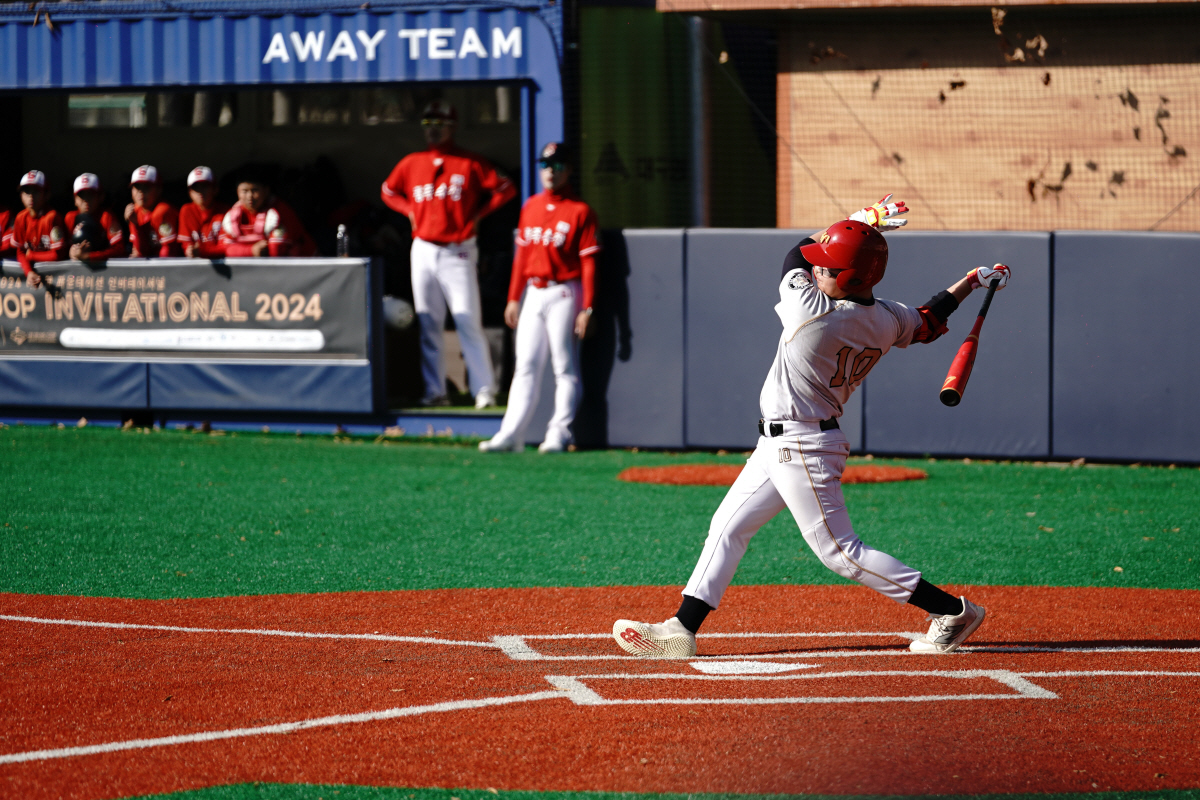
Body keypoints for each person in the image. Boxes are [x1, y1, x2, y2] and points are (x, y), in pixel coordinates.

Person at [612, 195, 1011, 658]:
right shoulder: (884, 317)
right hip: (784, 442)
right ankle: (682, 628)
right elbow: (927, 321)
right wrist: (970, 282)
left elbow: (793, 254)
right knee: (727, 526)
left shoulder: (812, 309)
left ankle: (952, 611)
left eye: (827, 267)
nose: (817, 268)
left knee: (839, 551)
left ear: (845, 278)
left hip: (803, 444)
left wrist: (861, 221)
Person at [380, 100, 517, 408]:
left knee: (468, 319)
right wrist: (408, 210)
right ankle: (435, 392)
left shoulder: (470, 162)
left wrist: (480, 215)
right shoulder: (412, 162)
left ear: (452, 127)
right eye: (428, 124)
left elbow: (505, 188)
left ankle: (484, 390)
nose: (434, 130)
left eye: (439, 124)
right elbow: (388, 191)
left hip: (459, 250)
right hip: (424, 249)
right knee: (429, 324)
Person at [479, 142, 599, 453]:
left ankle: (559, 433)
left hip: (564, 291)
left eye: (557, 165)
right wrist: (513, 297)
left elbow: (589, 262)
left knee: (564, 366)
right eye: (545, 165)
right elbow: (521, 257)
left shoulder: (580, 210)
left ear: (568, 170)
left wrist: (587, 307)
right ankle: (510, 434)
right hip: (533, 290)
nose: (550, 171)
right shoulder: (530, 205)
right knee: (526, 365)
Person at [218, 172, 316, 257]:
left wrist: (242, 250)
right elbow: (225, 249)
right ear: (237, 192)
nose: (249, 196)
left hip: (303, 264)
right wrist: (252, 250)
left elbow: (276, 251)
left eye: (255, 190)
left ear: (266, 191)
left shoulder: (279, 211)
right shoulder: (233, 215)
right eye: (244, 191)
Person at [9, 170, 65, 287]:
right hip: (35, 275)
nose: (30, 196)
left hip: (58, 278)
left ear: (46, 195)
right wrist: (28, 272)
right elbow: (20, 252)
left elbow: (59, 254)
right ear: (21, 196)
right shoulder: (20, 218)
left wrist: (32, 255)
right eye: (27, 191)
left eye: (36, 191)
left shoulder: (52, 217)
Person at [66, 173, 126, 263]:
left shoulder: (106, 216)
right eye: (82, 195)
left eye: (90, 194)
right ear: (75, 200)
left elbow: (120, 249)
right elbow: (60, 250)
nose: (86, 200)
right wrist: (69, 252)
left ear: (101, 197)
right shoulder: (70, 218)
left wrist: (89, 256)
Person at [125, 165, 181, 258]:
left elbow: (169, 253)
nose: (141, 192)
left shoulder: (163, 210)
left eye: (146, 187)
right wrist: (134, 224)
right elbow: (140, 251)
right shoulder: (134, 211)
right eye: (137, 187)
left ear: (159, 190)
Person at [178, 166, 230, 258]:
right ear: (190, 192)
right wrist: (189, 250)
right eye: (196, 188)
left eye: (205, 187)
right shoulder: (187, 210)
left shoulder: (226, 211)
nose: (200, 192)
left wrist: (203, 250)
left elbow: (226, 247)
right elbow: (186, 244)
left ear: (215, 189)